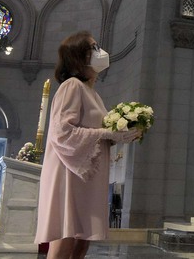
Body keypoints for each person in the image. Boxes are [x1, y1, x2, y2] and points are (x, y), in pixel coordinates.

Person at [35, 31, 140, 259]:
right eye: (94, 47)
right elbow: (62, 131)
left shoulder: (93, 93)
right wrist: (107, 133)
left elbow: (98, 134)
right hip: (69, 171)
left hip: (87, 175)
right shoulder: (71, 86)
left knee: (82, 241)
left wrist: (121, 135)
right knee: (66, 236)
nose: (100, 52)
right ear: (79, 57)